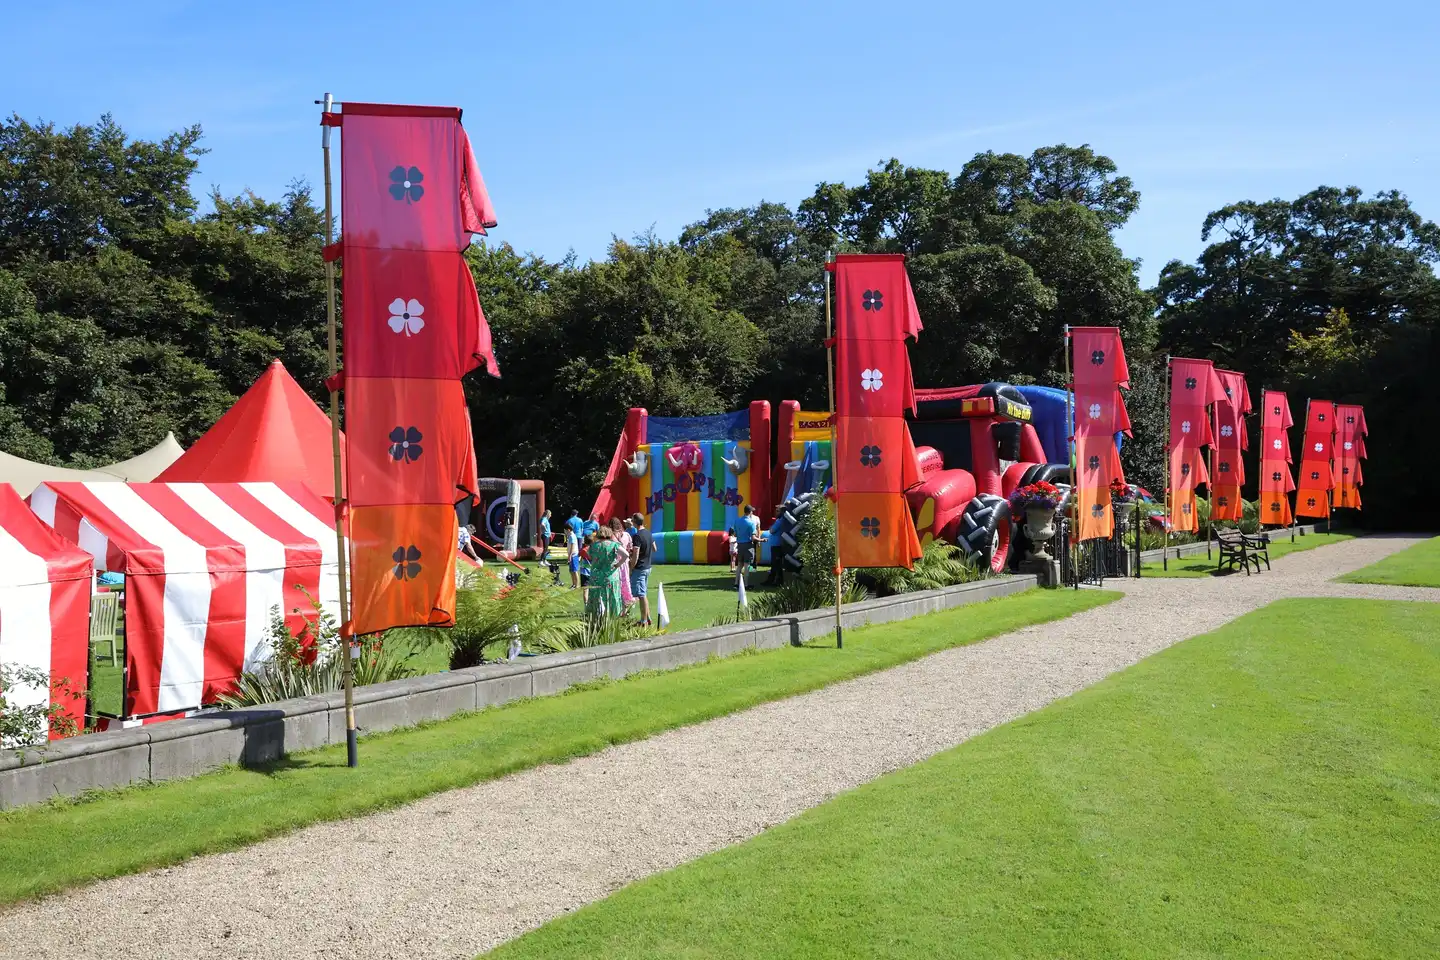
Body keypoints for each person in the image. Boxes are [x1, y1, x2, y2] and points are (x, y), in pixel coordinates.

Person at [584, 526, 626, 620]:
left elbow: (590, 556)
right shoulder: (614, 545)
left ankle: (596, 620)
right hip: (610, 576)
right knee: (612, 599)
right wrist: (618, 564)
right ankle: (612, 620)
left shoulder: (593, 546)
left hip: (596, 577)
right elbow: (626, 555)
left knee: (596, 599)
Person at [629, 512, 654, 627]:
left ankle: (643, 622)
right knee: (643, 593)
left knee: (641, 595)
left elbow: (636, 554)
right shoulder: (648, 533)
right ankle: (648, 618)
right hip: (648, 567)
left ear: (634, 522)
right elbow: (655, 548)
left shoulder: (637, 536)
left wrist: (631, 567)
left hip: (640, 568)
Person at [609, 516, 635, 608]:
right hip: (625, 561)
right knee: (625, 581)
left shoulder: (611, 536)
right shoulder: (627, 535)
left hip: (615, 562)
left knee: (616, 582)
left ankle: (618, 602)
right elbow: (630, 548)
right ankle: (627, 601)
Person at [735, 504, 763, 582]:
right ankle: (746, 584)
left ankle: (736, 583)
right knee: (747, 565)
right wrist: (762, 540)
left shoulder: (737, 521)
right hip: (748, 545)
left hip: (739, 545)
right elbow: (753, 538)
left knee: (740, 565)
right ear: (750, 512)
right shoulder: (751, 523)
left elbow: (735, 534)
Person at [566, 521, 582, 589]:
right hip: (572, 555)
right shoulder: (570, 536)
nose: (565, 532)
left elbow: (572, 546)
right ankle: (573, 584)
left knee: (574, 571)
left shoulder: (572, 536)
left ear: (568, 530)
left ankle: (577, 585)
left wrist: (570, 556)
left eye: (565, 530)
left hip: (574, 556)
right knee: (571, 571)